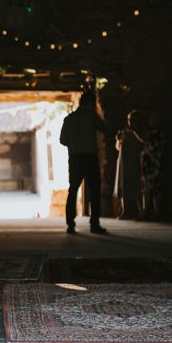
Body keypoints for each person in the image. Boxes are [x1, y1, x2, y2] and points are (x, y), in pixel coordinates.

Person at [59, 91, 111, 235]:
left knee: (73, 190)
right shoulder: (91, 116)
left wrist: (74, 144)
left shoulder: (68, 119)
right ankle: (94, 224)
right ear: (90, 104)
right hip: (89, 157)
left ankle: (70, 224)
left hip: (75, 158)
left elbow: (62, 140)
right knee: (94, 190)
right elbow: (104, 128)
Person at [135, 111, 165, 221]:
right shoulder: (154, 132)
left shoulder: (156, 133)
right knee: (151, 188)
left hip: (153, 165)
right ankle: (151, 212)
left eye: (153, 119)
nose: (150, 121)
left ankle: (148, 212)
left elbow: (146, 141)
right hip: (150, 164)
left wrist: (134, 132)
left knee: (151, 188)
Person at [113, 110, 142, 219]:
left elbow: (142, 144)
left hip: (134, 160)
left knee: (136, 185)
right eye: (129, 119)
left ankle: (141, 211)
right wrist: (118, 141)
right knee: (122, 185)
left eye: (132, 119)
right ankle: (125, 211)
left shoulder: (139, 132)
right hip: (123, 161)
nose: (130, 121)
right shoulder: (124, 131)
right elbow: (118, 147)